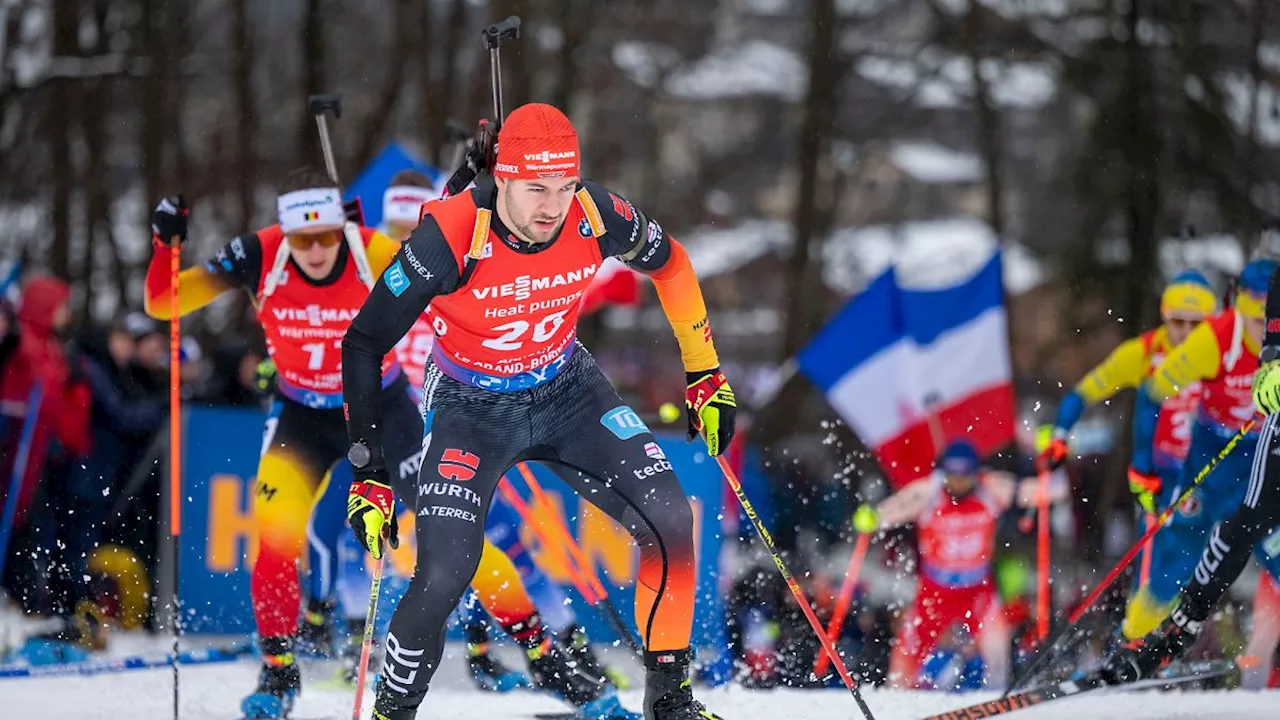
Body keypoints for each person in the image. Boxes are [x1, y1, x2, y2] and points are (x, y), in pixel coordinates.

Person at [341, 103, 736, 720]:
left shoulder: (595, 213)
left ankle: (671, 703)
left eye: (564, 186)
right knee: (446, 570)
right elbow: (364, 341)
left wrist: (705, 373)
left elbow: (673, 264)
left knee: (669, 520)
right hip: (471, 403)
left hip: (566, 389)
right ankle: (393, 711)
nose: (552, 207)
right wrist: (368, 469)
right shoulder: (449, 233)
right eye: (535, 189)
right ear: (501, 178)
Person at [142, 171, 435, 720]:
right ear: (285, 233)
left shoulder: (371, 248)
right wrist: (164, 244)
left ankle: (533, 645)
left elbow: (453, 290)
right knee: (274, 541)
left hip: (379, 410)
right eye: (304, 240)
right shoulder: (259, 252)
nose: (318, 250)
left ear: (339, 224)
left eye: (326, 235)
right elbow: (164, 303)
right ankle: (278, 672)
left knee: (432, 533)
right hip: (300, 416)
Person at [1101, 257, 1280, 684]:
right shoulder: (1215, 339)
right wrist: (1142, 467)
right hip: (1214, 465)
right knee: (1177, 559)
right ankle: (1134, 647)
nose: (1257, 332)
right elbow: (1153, 391)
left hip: (1257, 449)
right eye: (1253, 322)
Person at [853, 439, 1067, 689]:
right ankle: (893, 699)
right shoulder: (928, 492)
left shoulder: (992, 488)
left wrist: (1050, 457)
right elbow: (892, 510)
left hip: (977, 589)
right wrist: (873, 517)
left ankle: (995, 700)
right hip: (935, 590)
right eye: (952, 476)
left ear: (975, 473)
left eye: (965, 477)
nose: (957, 483)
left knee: (997, 649)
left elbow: (1053, 490)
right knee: (907, 649)